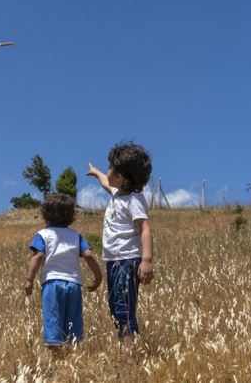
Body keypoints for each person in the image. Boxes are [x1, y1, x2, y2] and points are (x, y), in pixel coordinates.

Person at [87, 142, 154, 361]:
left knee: (124, 308)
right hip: (113, 261)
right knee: (115, 308)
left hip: (128, 260)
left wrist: (146, 260)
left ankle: (129, 355)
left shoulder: (134, 201)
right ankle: (125, 349)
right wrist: (95, 172)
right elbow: (106, 183)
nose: (108, 173)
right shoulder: (118, 193)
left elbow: (145, 229)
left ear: (124, 177)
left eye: (112, 169)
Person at [24, 193, 102, 357]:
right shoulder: (76, 235)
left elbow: (38, 257)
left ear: (46, 215)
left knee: (54, 325)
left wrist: (29, 280)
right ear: (71, 216)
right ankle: (72, 359)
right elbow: (88, 255)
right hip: (73, 285)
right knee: (73, 328)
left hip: (52, 285)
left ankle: (58, 359)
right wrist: (98, 275)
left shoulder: (42, 235)